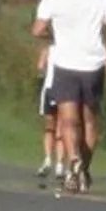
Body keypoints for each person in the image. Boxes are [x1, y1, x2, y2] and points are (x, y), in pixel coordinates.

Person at [32, 0, 106, 195]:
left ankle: (73, 159)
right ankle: (83, 168)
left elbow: (37, 29)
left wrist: (55, 34)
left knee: (68, 119)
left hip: (65, 63)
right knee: (90, 119)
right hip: (93, 63)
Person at [36, 48, 61, 179]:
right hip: (62, 88)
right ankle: (58, 164)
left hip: (51, 88)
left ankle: (50, 160)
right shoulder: (51, 48)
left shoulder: (49, 48)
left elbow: (40, 66)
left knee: (51, 127)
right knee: (59, 126)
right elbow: (40, 65)